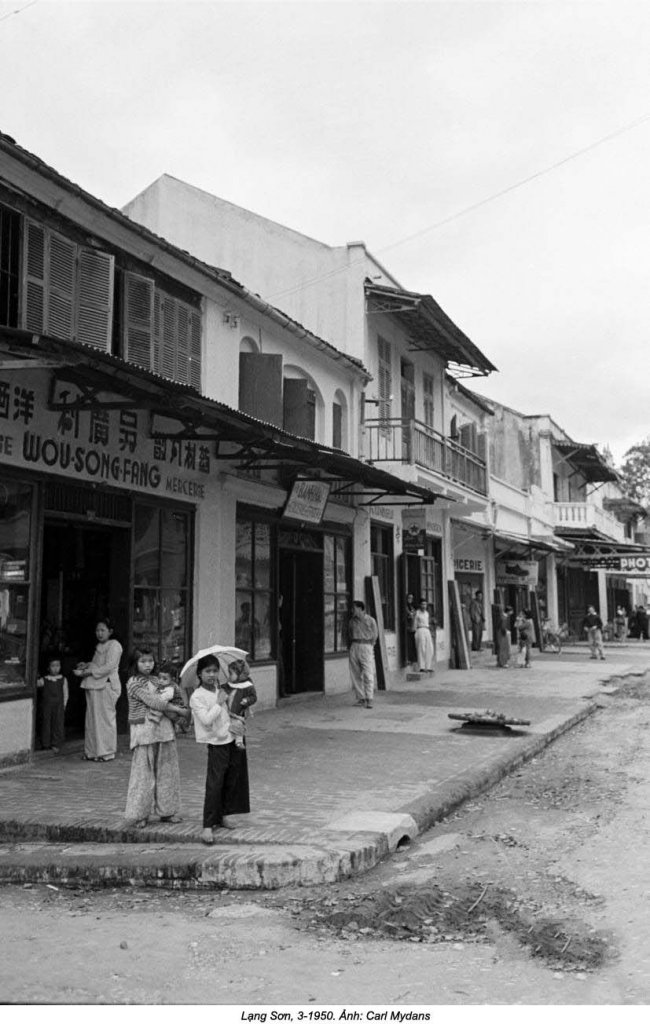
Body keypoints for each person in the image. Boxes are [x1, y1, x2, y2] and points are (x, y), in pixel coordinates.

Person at [123, 649, 189, 828]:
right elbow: (153, 701)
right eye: (143, 661)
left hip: (164, 730)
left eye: (150, 661)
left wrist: (178, 707)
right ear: (135, 663)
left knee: (168, 773)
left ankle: (167, 811)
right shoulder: (133, 683)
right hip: (144, 732)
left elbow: (174, 696)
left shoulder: (158, 679)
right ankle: (140, 814)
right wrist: (178, 710)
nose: (147, 665)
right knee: (142, 776)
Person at [190, 654, 250, 844]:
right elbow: (206, 720)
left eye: (215, 671)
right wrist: (218, 702)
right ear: (200, 674)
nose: (212, 675)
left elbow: (230, 711)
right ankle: (208, 825)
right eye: (208, 671)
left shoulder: (222, 689)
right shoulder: (197, 696)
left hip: (232, 736)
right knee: (215, 783)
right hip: (216, 742)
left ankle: (223, 815)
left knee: (232, 779)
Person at [73, 618, 122, 762]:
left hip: (106, 685)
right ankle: (92, 751)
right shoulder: (99, 646)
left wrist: (89, 672)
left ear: (110, 631)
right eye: (97, 630)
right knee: (92, 720)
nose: (99, 633)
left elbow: (110, 666)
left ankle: (106, 752)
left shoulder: (115, 645)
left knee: (105, 720)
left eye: (103, 630)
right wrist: (87, 665)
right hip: (94, 685)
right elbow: (97, 664)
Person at [348, 600, 379, 708]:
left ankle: (369, 698)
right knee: (355, 673)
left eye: (354, 608)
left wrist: (370, 645)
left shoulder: (370, 620)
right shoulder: (352, 621)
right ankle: (361, 698)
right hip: (354, 645)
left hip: (366, 645)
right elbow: (349, 634)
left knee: (368, 672)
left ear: (360, 609)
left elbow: (375, 635)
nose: (352, 610)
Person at [222, 658, 257, 750]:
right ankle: (228, 737)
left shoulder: (247, 686)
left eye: (231, 673)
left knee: (238, 724)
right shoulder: (230, 684)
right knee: (228, 723)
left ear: (240, 674)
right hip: (228, 710)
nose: (229, 676)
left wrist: (247, 700)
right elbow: (223, 688)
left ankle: (239, 741)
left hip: (238, 711)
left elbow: (254, 697)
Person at [37, 655, 68, 752]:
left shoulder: (63, 679)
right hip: (47, 706)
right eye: (53, 666)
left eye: (57, 665)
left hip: (58, 706)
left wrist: (64, 705)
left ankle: (56, 743)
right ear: (48, 668)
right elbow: (36, 684)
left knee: (57, 724)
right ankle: (45, 744)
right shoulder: (44, 679)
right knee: (46, 724)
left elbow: (66, 693)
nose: (55, 668)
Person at [414, 599, 435, 672]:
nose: (424, 606)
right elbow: (415, 623)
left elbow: (428, 623)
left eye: (425, 604)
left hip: (427, 630)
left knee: (430, 648)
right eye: (422, 604)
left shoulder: (427, 613)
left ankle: (428, 666)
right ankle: (421, 667)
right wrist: (415, 631)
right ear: (420, 605)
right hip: (420, 629)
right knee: (421, 648)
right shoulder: (417, 613)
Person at [405, 593, 417, 668]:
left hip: (413, 627)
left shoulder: (411, 607)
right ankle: (408, 659)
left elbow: (413, 614)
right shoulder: (406, 607)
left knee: (412, 644)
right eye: (409, 598)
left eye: (411, 598)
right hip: (407, 628)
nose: (410, 600)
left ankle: (413, 659)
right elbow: (409, 615)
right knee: (408, 644)